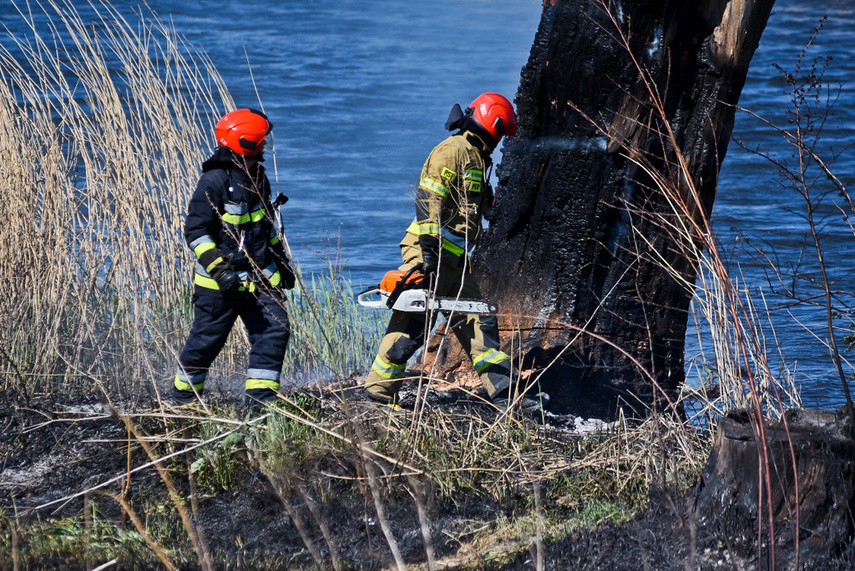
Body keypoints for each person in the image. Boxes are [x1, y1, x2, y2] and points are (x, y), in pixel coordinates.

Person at [363, 93, 545, 411]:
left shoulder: (477, 158)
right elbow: (428, 199)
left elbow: (477, 209)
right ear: (492, 123)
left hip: (457, 260)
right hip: (430, 250)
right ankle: (379, 394)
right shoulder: (454, 150)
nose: (500, 140)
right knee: (414, 322)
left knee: (479, 325)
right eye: (501, 133)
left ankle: (505, 397)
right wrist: (429, 252)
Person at [173, 108, 296, 407]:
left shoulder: (258, 177)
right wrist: (220, 270)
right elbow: (196, 231)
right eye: (262, 141)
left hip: (259, 280)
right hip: (219, 287)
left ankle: (260, 407)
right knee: (205, 344)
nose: (265, 146)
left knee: (275, 330)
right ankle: (183, 402)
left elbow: (264, 225)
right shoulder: (214, 181)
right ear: (248, 143)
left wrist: (280, 261)